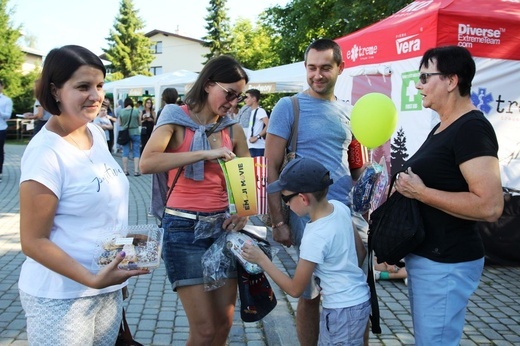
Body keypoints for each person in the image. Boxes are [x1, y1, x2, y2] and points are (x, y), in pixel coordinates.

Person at [17, 45, 149, 345]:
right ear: (55, 90)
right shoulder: (45, 153)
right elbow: (33, 241)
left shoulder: (96, 135)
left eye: (99, 85)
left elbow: (97, 212)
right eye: (82, 87)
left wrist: (124, 247)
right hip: (61, 298)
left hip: (106, 289)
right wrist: (92, 279)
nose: (95, 95)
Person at [394, 45, 504, 345]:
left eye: (425, 76)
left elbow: (490, 206)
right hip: (430, 259)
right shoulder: (443, 126)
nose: (418, 84)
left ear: (451, 81)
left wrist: (421, 192)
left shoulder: (471, 128)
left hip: (446, 263)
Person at [139, 55, 251, 345]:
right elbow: (146, 163)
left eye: (238, 97)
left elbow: (246, 176)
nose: (232, 103)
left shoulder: (232, 128)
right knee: (203, 330)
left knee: (223, 325)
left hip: (223, 231)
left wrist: (245, 212)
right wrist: (205, 153)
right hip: (183, 231)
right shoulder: (175, 117)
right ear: (208, 84)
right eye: (228, 94)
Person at [265, 38, 365, 346]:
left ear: (340, 68)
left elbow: (356, 164)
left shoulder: (349, 111)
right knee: (309, 293)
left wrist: (371, 192)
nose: (317, 75)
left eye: (325, 68)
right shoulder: (289, 106)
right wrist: (279, 222)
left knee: (350, 286)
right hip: (306, 215)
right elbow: (271, 168)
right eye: (311, 68)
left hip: (345, 215)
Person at [242, 157, 370, 345]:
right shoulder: (341, 208)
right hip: (358, 301)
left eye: (286, 199)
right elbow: (360, 254)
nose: (286, 204)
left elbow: (295, 289)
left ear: (303, 198)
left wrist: (262, 260)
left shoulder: (314, 235)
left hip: (340, 311)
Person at [119, 97, 141, 176]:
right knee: (136, 152)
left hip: (125, 133)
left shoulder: (121, 112)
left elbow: (120, 123)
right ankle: (136, 171)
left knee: (125, 151)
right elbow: (139, 123)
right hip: (135, 132)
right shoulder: (136, 111)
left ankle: (125, 170)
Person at [244, 89, 268, 157]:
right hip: (252, 147)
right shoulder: (252, 111)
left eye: (247, 97)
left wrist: (257, 137)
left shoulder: (260, 111)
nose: (245, 100)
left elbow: (269, 125)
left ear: (254, 99)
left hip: (258, 147)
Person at [0, 79, 13, 183]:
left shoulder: (6, 100)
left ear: (2, 87)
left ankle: (0, 172)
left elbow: (7, 115)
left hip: (1, 128)